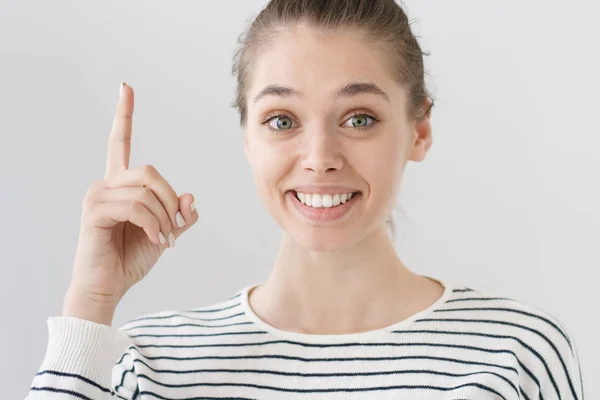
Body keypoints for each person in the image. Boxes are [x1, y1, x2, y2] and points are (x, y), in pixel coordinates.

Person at [26, 0, 584, 399]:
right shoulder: (148, 363)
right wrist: (90, 304)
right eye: (282, 120)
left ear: (419, 130)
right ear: (248, 136)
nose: (319, 156)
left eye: (359, 118)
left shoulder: (516, 354)